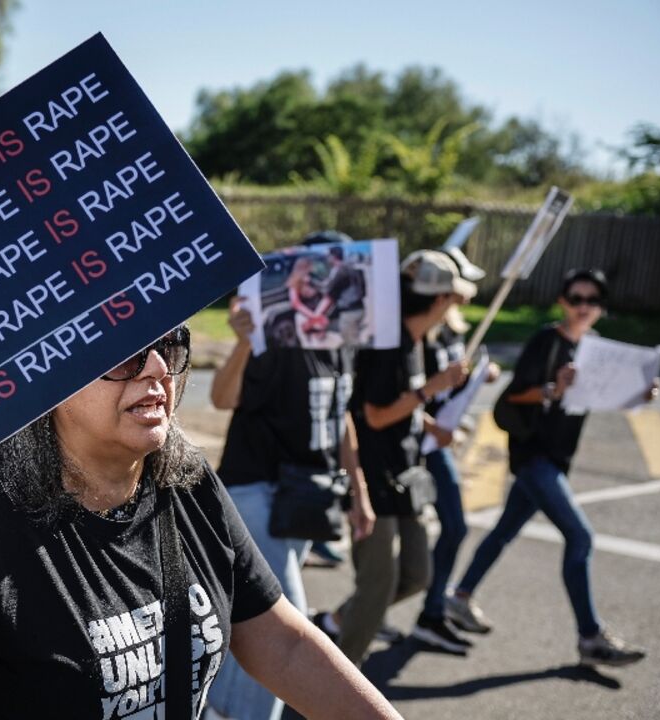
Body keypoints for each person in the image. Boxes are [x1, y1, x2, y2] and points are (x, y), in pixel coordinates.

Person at [0, 326, 401, 719]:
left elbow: (282, 643)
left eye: (169, 344)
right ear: (48, 375)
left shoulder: (185, 481)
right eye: (125, 353)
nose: (157, 369)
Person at [451, 269, 657, 667]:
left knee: (504, 531)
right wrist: (552, 388)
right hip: (534, 457)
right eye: (576, 299)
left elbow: (608, 395)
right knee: (580, 538)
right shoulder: (546, 342)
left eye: (591, 301)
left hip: (558, 457)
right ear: (562, 301)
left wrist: (639, 392)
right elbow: (513, 396)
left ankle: (459, 597)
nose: (583, 307)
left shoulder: (596, 348)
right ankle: (590, 637)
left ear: (600, 308)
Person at [206, 294, 376, 720]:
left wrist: (359, 490)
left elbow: (341, 416)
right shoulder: (275, 341)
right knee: (282, 628)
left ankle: (215, 710)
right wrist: (244, 342)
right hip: (256, 494)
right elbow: (222, 398)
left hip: (303, 501)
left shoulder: (342, 344)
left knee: (250, 624)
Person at [318, 251, 473, 665]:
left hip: (405, 473)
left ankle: (334, 623)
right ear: (440, 300)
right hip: (374, 477)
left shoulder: (415, 340)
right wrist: (432, 390)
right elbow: (375, 414)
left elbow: (394, 402)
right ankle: (339, 684)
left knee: (416, 575)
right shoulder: (389, 343)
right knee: (377, 587)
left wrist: (427, 423)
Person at [408, 251, 501, 653]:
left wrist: (476, 379)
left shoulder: (449, 331)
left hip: (433, 441)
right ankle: (352, 617)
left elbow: (444, 388)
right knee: (400, 543)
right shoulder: (416, 333)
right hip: (416, 444)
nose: (462, 300)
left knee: (449, 528)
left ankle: (430, 612)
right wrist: (430, 424)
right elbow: (402, 396)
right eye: (455, 291)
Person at [316, 246, 368, 346]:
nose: (327, 259)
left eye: (328, 256)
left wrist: (317, 314)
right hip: (359, 308)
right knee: (351, 336)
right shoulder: (349, 267)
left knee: (352, 342)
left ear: (333, 257)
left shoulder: (340, 271)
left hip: (349, 312)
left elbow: (329, 294)